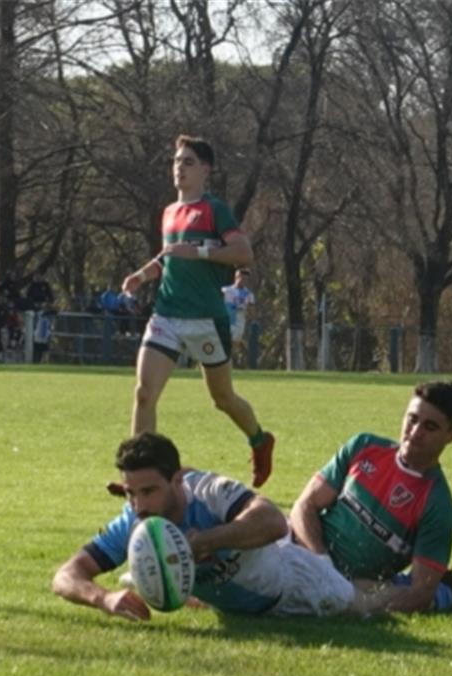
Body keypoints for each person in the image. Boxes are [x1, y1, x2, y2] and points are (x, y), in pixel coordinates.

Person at [51, 432, 364, 620]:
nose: (139, 505)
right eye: (131, 493)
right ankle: (178, 583)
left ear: (177, 480)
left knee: (357, 607)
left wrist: (201, 542)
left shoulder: (206, 491)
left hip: (290, 585)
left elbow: (272, 522)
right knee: (144, 570)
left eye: (149, 491)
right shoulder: (135, 520)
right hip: (236, 609)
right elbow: (65, 576)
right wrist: (103, 598)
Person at [122, 136, 275, 487]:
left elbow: (243, 253)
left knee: (222, 399)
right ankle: (137, 479)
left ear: (206, 170)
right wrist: (142, 275)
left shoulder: (214, 210)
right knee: (144, 393)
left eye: (188, 162)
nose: (179, 168)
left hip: (206, 319)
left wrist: (202, 254)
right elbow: (170, 256)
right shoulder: (169, 212)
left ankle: (259, 439)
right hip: (166, 314)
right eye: (176, 161)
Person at [288, 381, 452, 613]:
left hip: (354, 585)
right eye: (412, 419)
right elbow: (304, 505)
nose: (415, 433)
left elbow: (419, 594)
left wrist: (340, 591)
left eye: (430, 427)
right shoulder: (363, 447)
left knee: (348, 602)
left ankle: (445, 593)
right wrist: (322, 564)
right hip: (309, 552)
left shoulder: (439, 507)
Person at [221, 268, 255, 367]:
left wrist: (251, 316)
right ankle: (224, 360)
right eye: (242, 278)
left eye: (246, 279)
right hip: (227, 318)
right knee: (225, 339)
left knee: (235, 340)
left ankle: (228, 358)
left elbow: (251, 308)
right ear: (236, 277)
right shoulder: (226, 290)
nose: (243, 281)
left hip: (240, 319)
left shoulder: (249, 294)